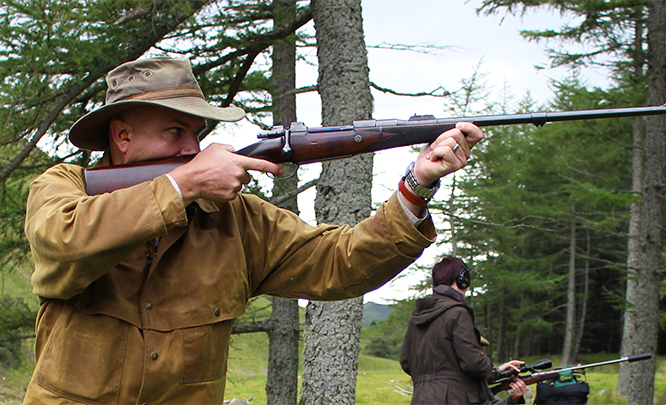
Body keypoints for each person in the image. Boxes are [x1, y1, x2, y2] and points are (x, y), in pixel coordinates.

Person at [22, 57, 483, 404]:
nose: (193, 148)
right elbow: (64, 241)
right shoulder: (68, 187)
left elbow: (340, 262)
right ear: (121, 137)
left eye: (197, 134)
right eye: (175, 131)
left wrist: (417, 185)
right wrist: (183, 184)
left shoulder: (237, 218)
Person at [400, 256, 527, 404]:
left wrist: (496, 373)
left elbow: (406, 362)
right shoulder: (457, 312)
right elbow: (473, 362)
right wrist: (490, 369)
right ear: (463, 278)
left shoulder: (417, 316)